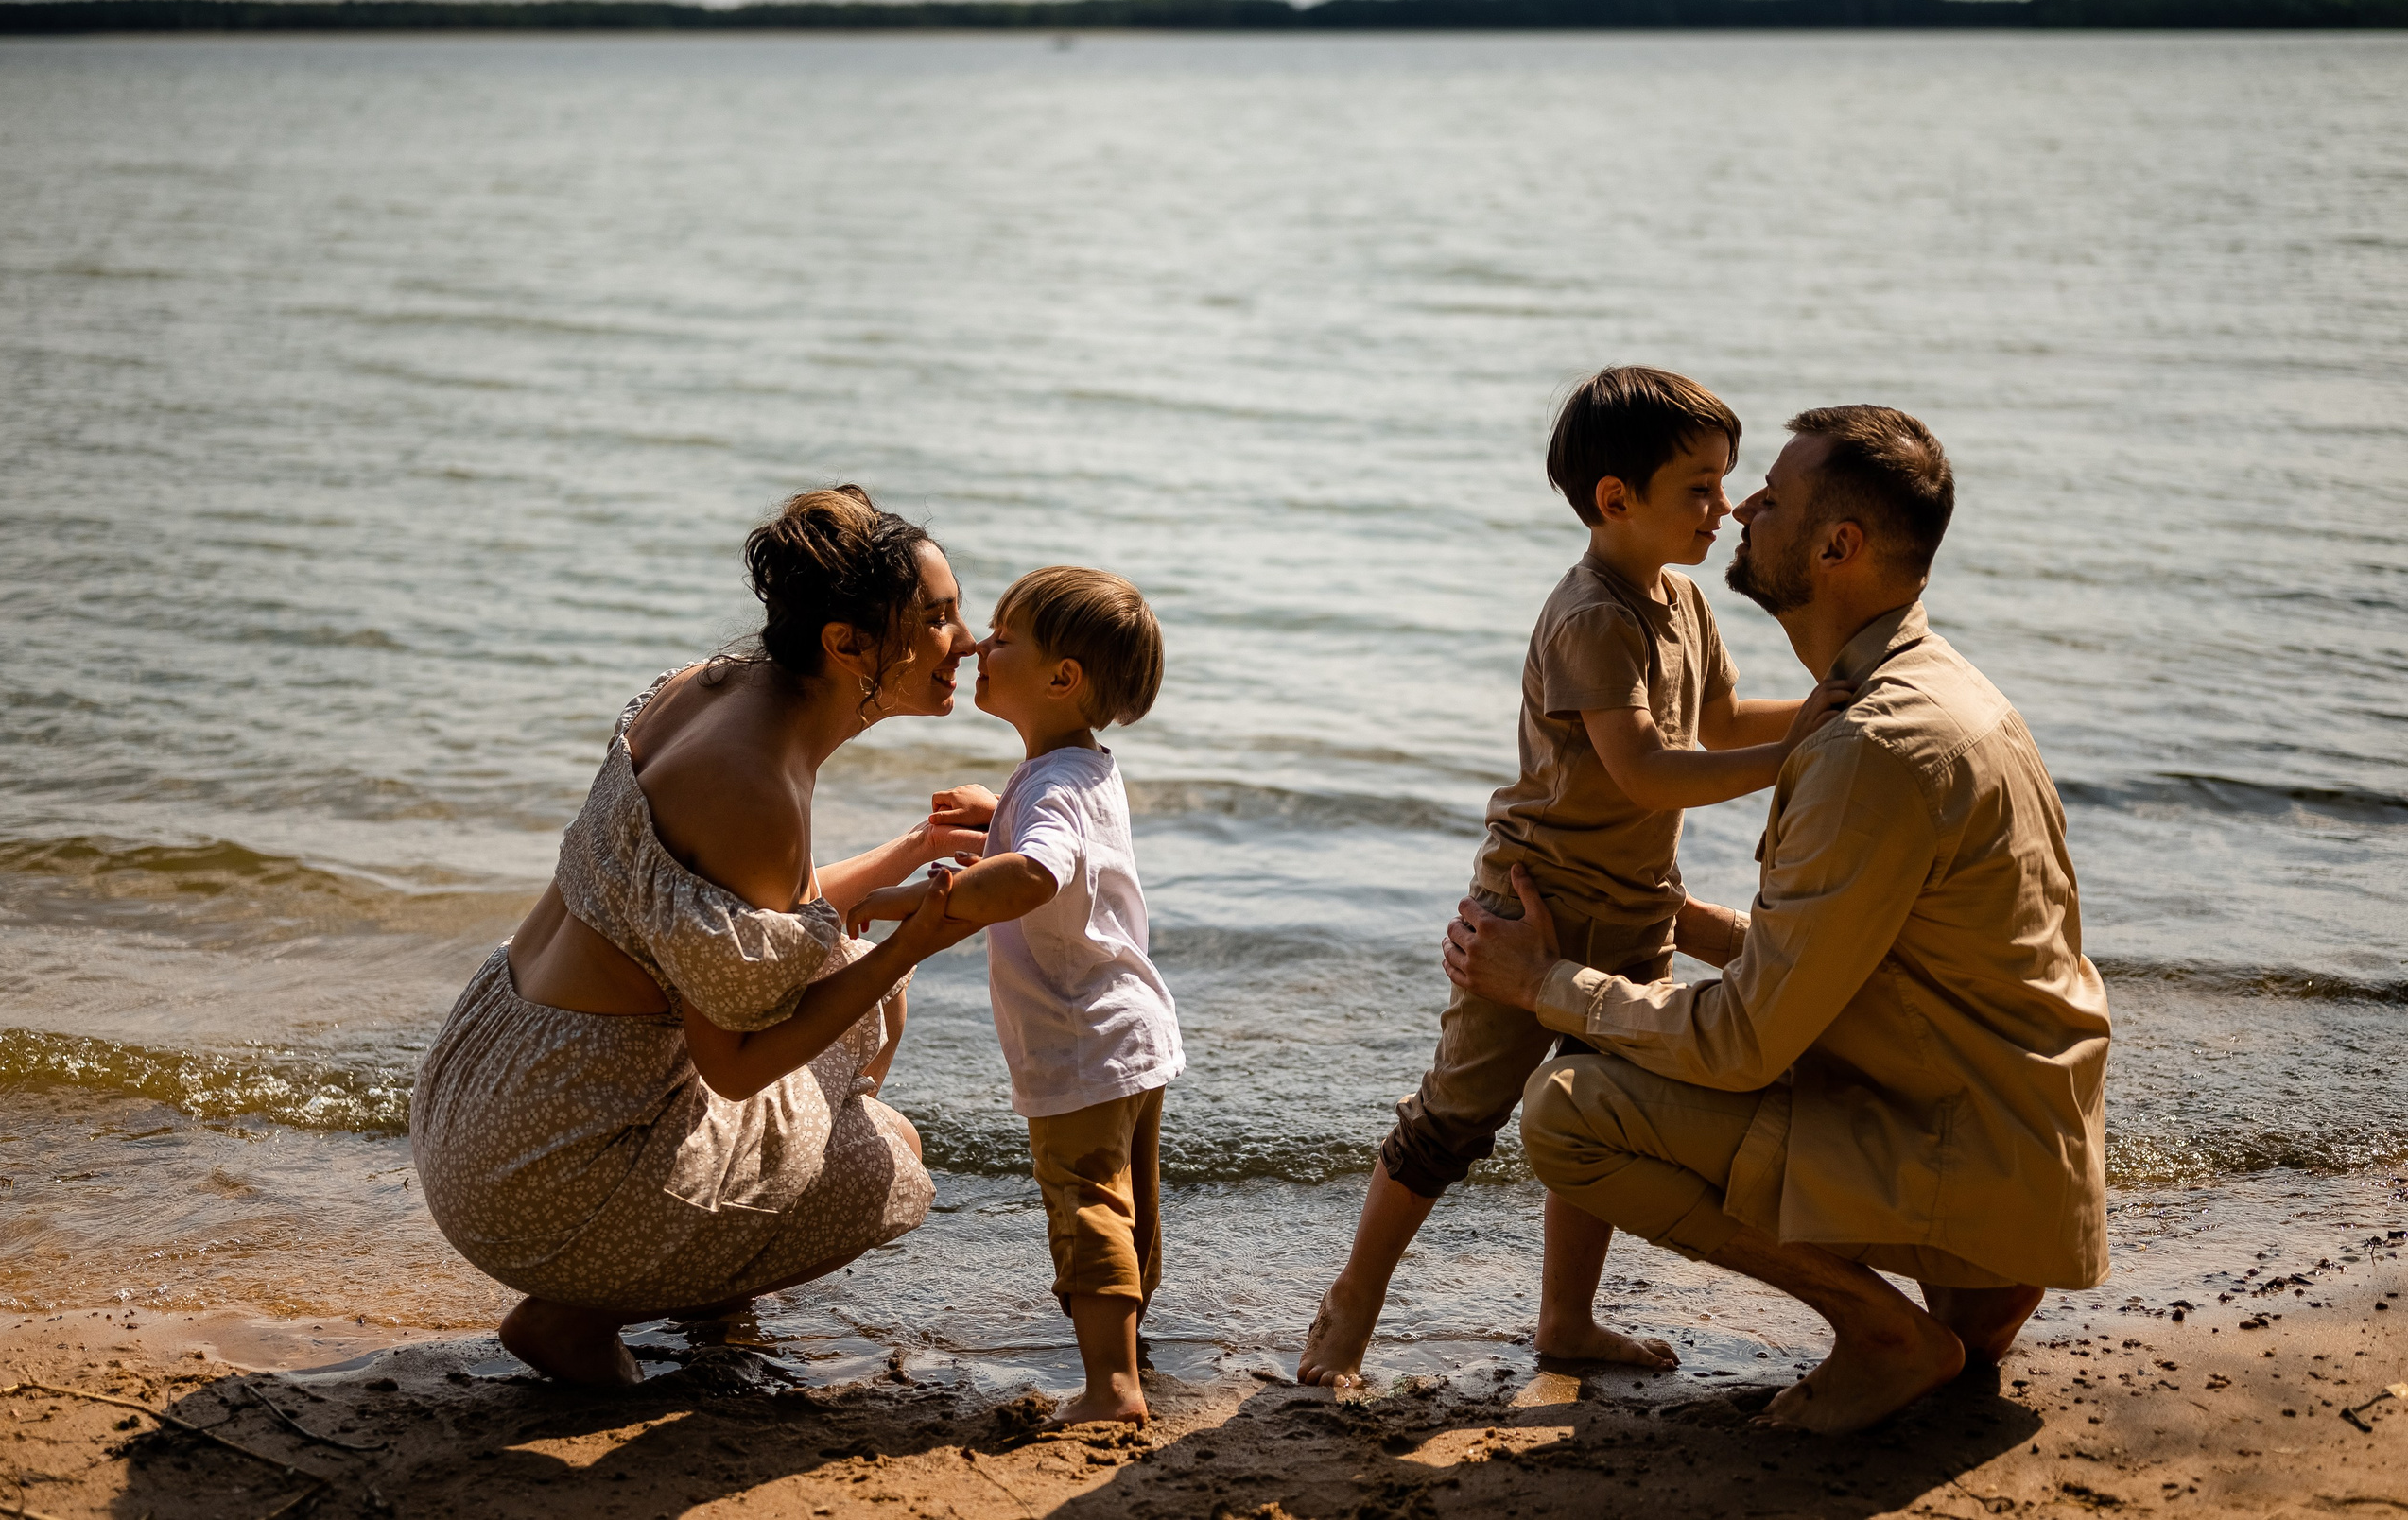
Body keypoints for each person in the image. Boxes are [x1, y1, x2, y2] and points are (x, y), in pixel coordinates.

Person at [1444, 406, 2112, 1434]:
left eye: (1773, 496)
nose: (1741, 506)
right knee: (1661, 1052)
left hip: (1971, 1160)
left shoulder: (1873, 749)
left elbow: (1746, 1040)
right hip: (2015, 1152)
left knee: (1569, 1107)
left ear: (1836, 546)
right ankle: (1975, 1282)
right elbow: (1874, 968)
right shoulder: (1942, 691)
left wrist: (1546, 985)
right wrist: (1681, 918)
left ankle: (1884, 1330)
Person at [1299, 368, 1851, 1387]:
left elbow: (1718, 722)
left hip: (1637, 909)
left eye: (1724, 481)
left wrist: (1835, 696)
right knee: (1453, 1121)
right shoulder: (1594, 615)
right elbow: (1642, 771)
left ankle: (1566, 1317)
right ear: (1614, 500)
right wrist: (1801, 751)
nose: (1723, 506)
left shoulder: (1681, 600)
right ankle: (1349, 1307)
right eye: (1698, 486)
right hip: (1533, 906)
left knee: (1593, 1100)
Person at [409, 486, 988, 1387]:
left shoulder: (712, 688)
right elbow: (737, 1066)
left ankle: (698, 1280)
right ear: (848, 645)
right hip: (545, 1169)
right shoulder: (756, 787)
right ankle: (573, 1317)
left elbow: (723, 917)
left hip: (485, 1087)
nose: (971, 641)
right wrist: (918, 940)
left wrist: (907, 856)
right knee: (894, 1160)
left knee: (835, 969)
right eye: (940, 619)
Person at [850, 567, 1179, 1425]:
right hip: (1132, 1028)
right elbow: (1059, 849)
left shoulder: (1050, 792)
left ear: (1062, 677)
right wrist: (998, 813)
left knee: (1087, 1203)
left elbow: (1037, 873)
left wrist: (914, 902)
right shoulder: (1081, 772)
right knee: (1129, 1198)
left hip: (1078, 1035)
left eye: (1003, 636)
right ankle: (1133, 1354)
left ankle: (1111, 1387)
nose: (979, 648)